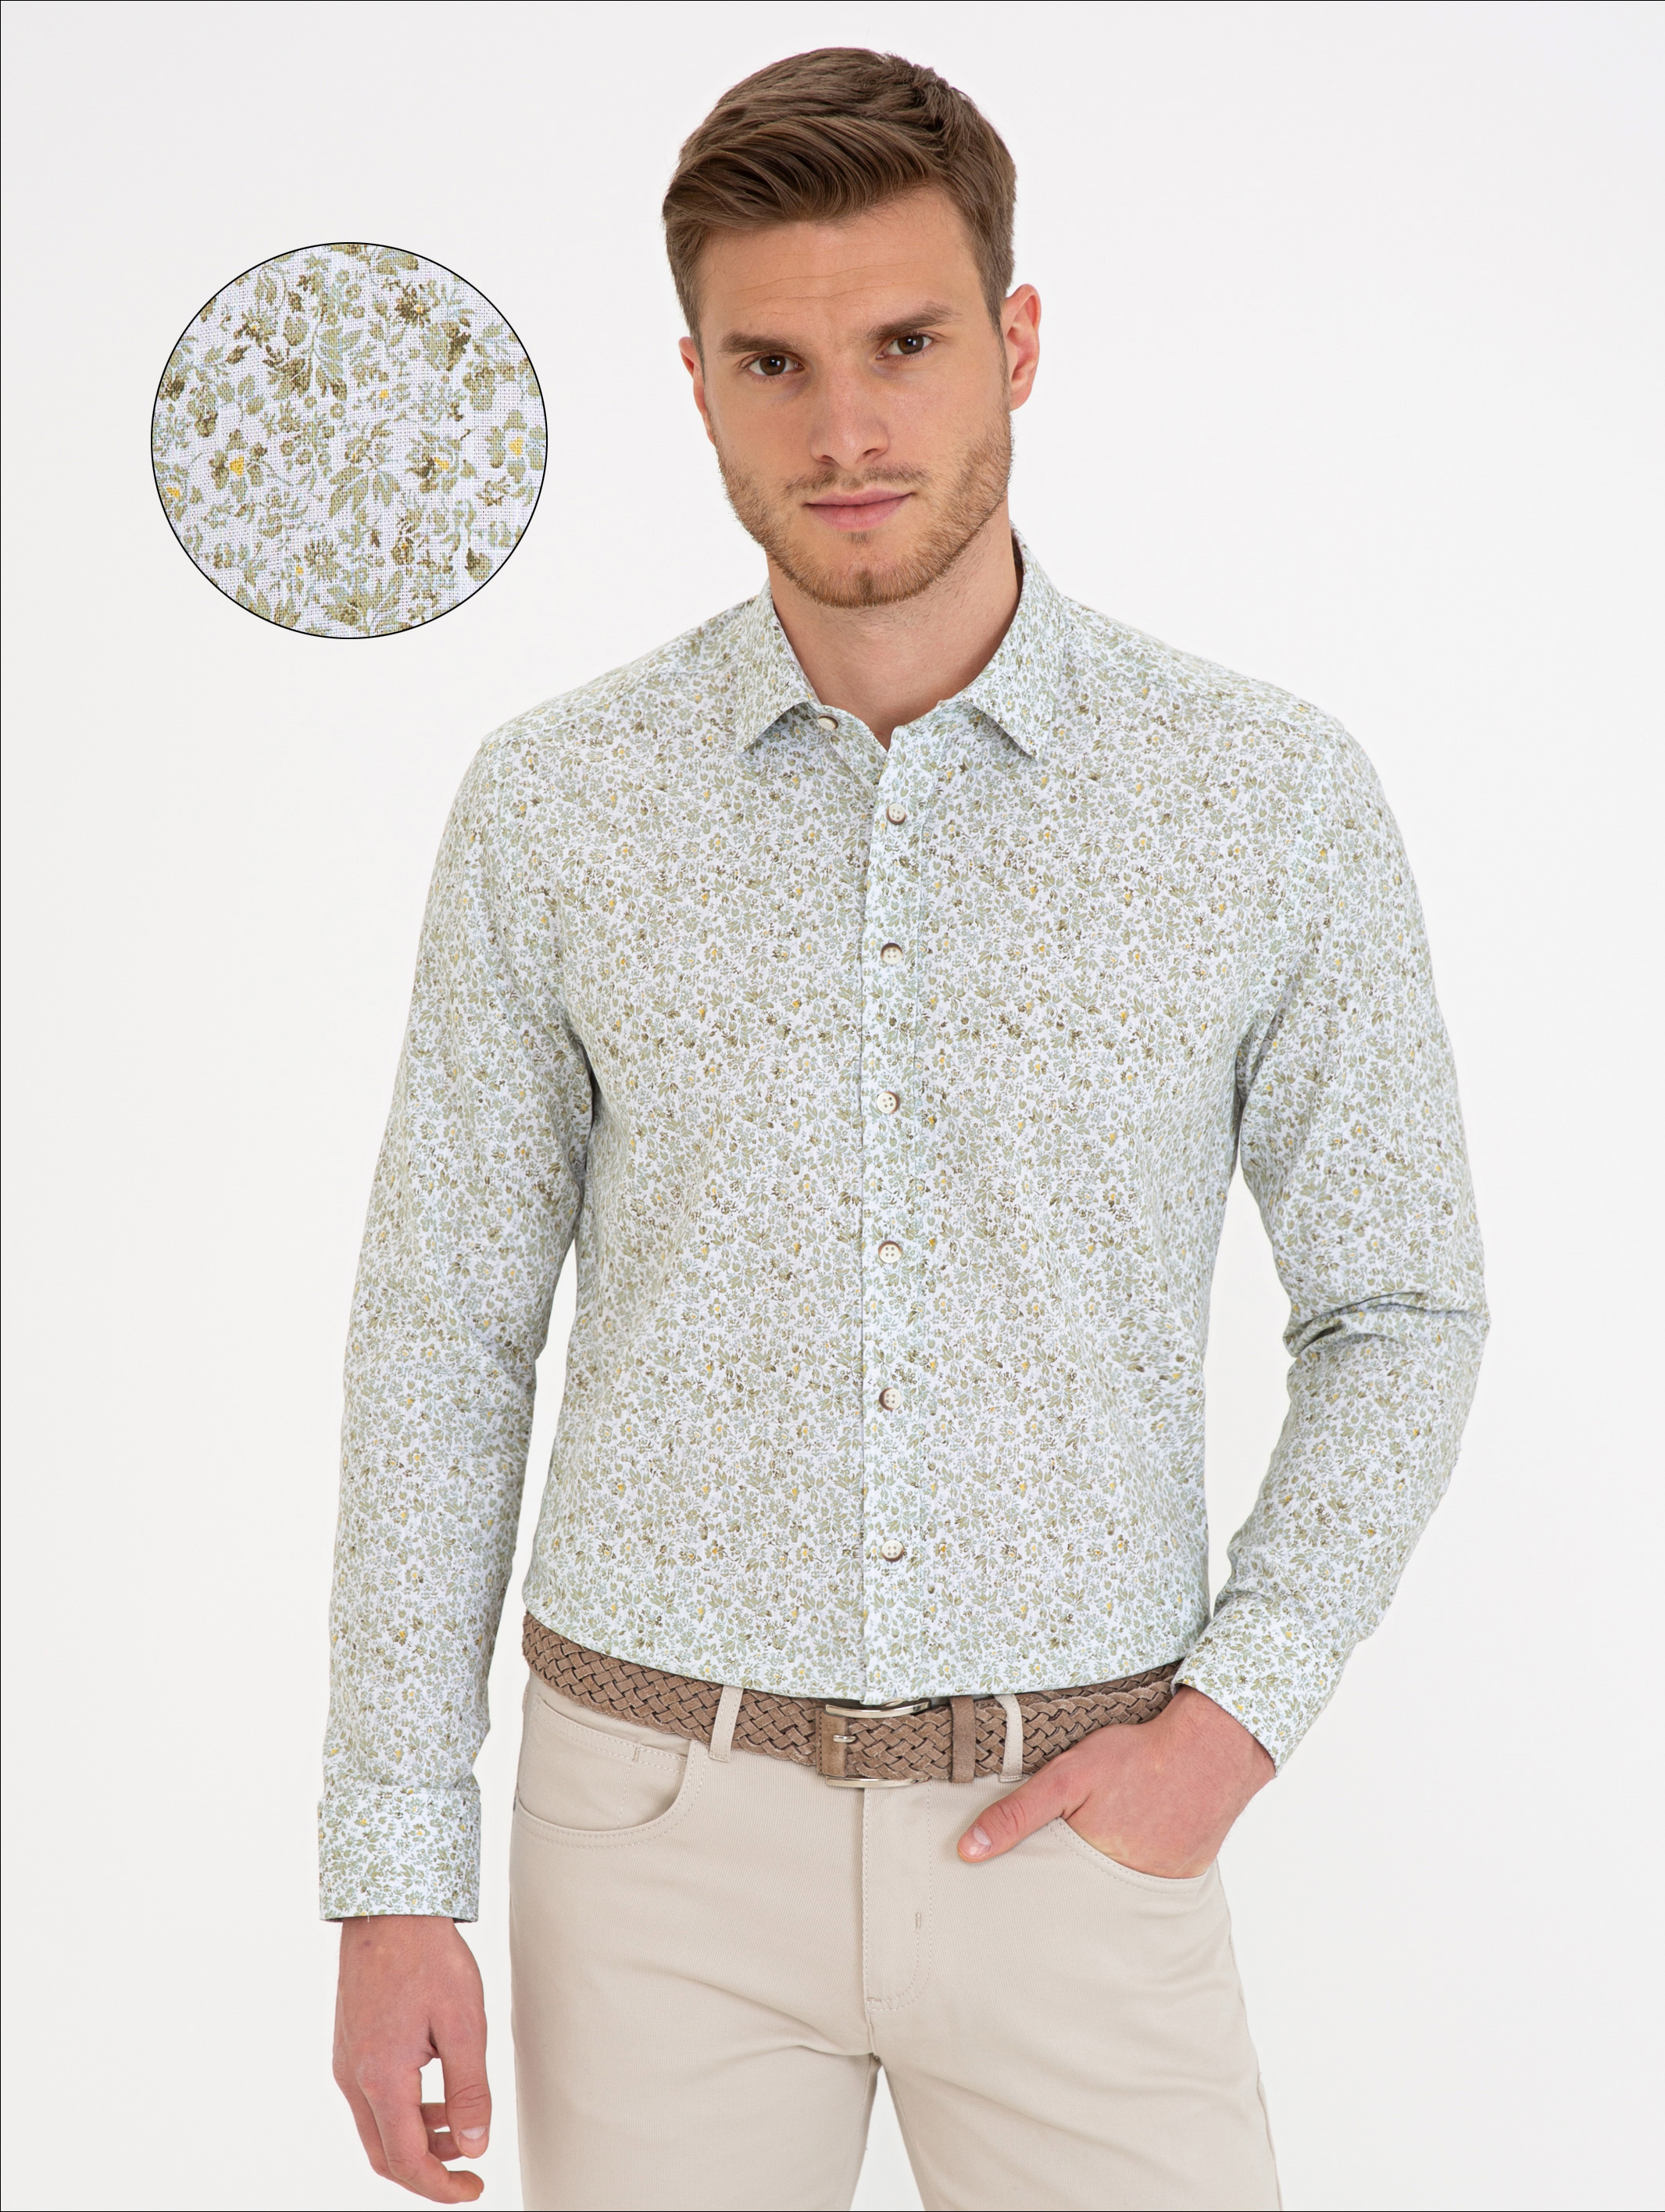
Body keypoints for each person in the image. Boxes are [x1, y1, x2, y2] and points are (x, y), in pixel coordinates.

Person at [321, 46, 1488, 2212]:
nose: (845, 429)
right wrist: (395, 1870)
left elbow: (1400, 1308)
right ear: (693, 384)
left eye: (906, 345)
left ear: (1015, 342)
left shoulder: (1262, 798)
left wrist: (1228, 1728)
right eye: (772, 362)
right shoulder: (557, 807)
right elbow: (442, 1338)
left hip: (1080, 1831)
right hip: (646, 1850)